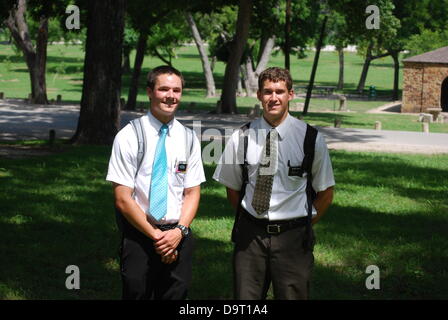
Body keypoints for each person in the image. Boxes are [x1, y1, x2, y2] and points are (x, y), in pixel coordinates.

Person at [213, 67, 335, 300]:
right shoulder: (240, 137)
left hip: (294, 238)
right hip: (250, 238)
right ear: (259, 95)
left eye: (280, 91)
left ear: (291, 94)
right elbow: (233, 188)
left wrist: (303, 224)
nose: (273, 98)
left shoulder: (311, 139)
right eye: (267, 92)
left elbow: (326, 192)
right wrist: (250, 219)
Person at [106, 65, 205, 300]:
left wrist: (178, 233)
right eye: (164, 89)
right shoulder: (129, 136)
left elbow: (192, 193)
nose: (170, 96)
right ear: (150, 92)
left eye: (176, 90)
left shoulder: (189, 138)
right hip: (140, 234)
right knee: (136, 294)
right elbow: (122, 198)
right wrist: (157, 237)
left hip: (178, 235)